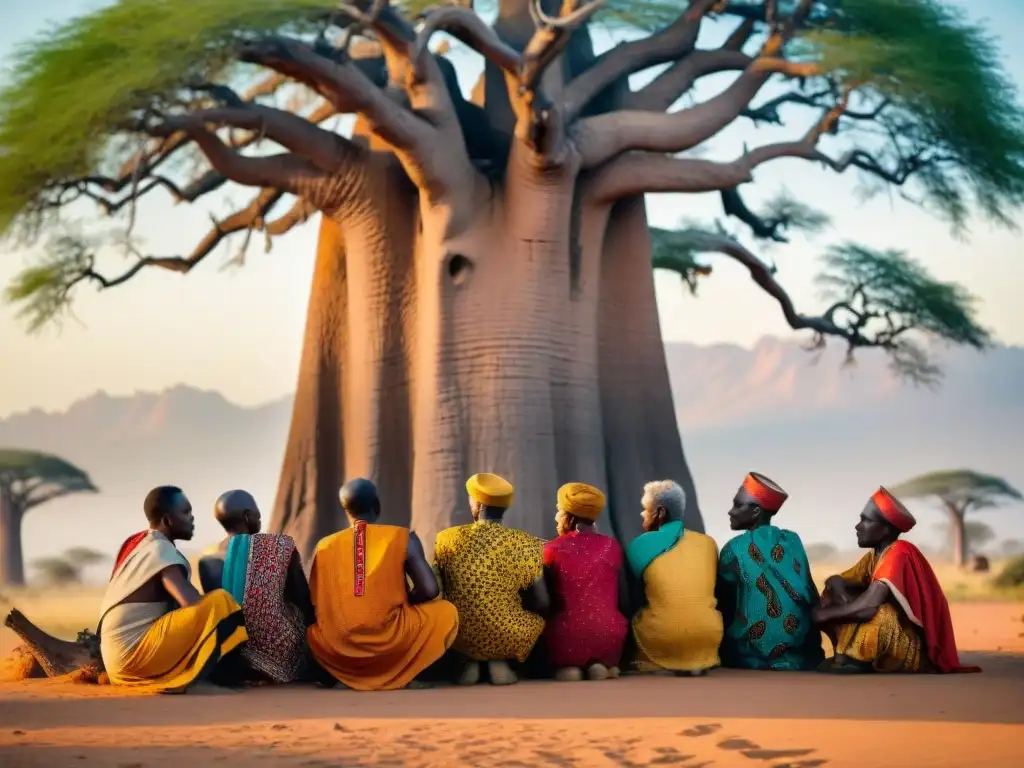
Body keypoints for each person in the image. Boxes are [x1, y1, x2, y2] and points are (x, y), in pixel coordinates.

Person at [306, 478, 459, 691]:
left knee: (313, 632)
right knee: (446, 611)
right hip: (391, 641)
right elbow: (430, 590)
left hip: (339, 647)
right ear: (377, 506)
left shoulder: (324, 546)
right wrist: (405, 600)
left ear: (346, 511)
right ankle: (405, 672)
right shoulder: (404, 537)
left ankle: (346, 675)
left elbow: (316, 600)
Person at [814, 486, 980, 674]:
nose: (857, 526)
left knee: (884, 614)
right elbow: (836, 580)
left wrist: (824, 615)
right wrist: (843, 597)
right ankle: (843, 656)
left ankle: (856, 659)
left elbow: (866, 609)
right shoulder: (874, 556)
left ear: (885, 528)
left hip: (912, 649)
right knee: (831, 597)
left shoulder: (899, 552)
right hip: (883, 632)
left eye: (866, 520)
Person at [97, 486, 248, 693]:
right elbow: (189, 601)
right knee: (222, 602)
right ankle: (226, 677)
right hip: (133, 658)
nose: (192, 518)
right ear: (168, 520)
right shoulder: (161, 550)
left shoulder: (140, 543)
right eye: (186, 512)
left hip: (117, 663)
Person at [433, 473, 549, 686]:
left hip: (459, 635)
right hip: (509, 632)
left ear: (477, 504)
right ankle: (499, 660)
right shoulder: (525, 543)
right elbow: (541, 600)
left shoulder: (446, 539)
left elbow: (439, 589)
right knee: (535, 622)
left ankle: (473, 661)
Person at [197, 490, 314, 684]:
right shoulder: (280, 546)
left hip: (233, 656)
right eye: (257, 515)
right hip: (281, 656)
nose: (259, 520)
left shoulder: (206, 561)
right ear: (247, 516)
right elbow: (303, 599)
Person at [716, 472, 824, 671]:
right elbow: (810, 592)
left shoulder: (734, 548)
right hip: (802, 653)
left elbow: (724, 602)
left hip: (750, 656)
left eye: (738, 505)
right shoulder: (792, 540)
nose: (731, 512)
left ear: (756, 511)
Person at [625, 480, 722, 676]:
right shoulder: (708, 544)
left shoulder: (640, 544)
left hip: (663, 637)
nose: (642, 515)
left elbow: (634, 592)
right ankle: (693, 659)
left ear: (660, 513)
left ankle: (663, 660)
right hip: (708, 635)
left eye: (645, 509)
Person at [543, 482, 628, 682]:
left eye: (558, 510)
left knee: (554, 629)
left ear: (568, 516)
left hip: (568, 638)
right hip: (610, 636)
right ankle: (601, 664)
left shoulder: (552, 548)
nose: (556, 516)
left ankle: (572, 668)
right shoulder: (612, 546)